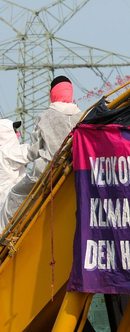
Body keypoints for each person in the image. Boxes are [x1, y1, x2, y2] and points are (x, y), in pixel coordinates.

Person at [0, 76, 81, 229]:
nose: (17, 133)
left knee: (15, 195)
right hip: (75, 168)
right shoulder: (80, 116)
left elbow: (32, 152)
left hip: (46, 171)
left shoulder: (45, 116)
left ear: (52, 93)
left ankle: (4, 235)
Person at [0, 119, 28, 207]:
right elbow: (31, 152)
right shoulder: (5, 152)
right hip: (9, 200)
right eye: (14, 131)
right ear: (5, 134)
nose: (18, 133)